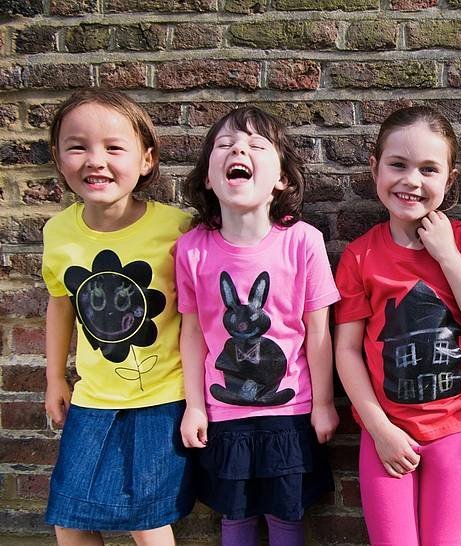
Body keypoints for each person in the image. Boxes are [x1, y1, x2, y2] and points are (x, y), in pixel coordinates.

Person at [333, 106, 461, 546]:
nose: (411, 180)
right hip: (386, 433)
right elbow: (347, 350)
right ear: (375, 168)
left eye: (429, 169)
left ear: (449, 180)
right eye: (398, 165)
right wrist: (380, 430)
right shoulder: (360, 256)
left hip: (452, 431)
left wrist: (446, 254)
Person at [175, 106, 339, 546]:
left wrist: (323, 403)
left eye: (255, 145)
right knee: (235, 516)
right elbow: (192, 333)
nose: (238, 150)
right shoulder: (191, 250)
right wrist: (194, 406)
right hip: (223, 415)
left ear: (281, 178)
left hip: (290, 413)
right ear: (208, 178)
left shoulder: (303, 242)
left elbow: (319, 332)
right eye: (225, 145)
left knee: (287, 515)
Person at [42, 88, 194, 545]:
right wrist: (55, 378)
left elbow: (199, 314)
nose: (96, 160)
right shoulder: (58, 232)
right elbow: (60, 304)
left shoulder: (177, 229)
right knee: (69, 515)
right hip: (92, 398)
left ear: (146, 159)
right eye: (77, 147)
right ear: (58, 158)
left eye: (113, 147)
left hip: (162, 397)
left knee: (145, 519)